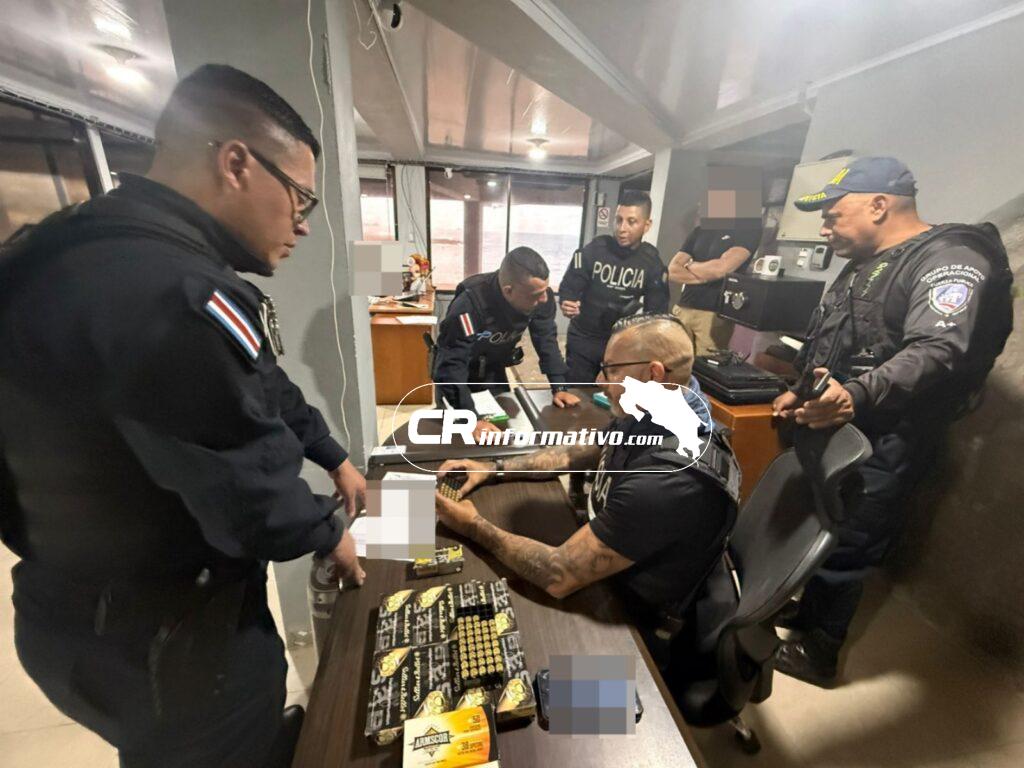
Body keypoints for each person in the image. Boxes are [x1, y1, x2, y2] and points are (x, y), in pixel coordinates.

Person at [0, 64, 368, 767]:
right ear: (236, 163)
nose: (302, 224)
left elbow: (258, 381)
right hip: (168, 640)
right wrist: (328, 532)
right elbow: (251, 495)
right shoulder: (176, 295)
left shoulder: (79, 241)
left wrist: (331, 453)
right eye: (301, 198)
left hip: (69, 607)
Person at [772, 156, 1013, 687]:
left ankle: (820, 651)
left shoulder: (950, 257)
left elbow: (936, 349)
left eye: (833, 215)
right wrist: (798, 386)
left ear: (879, 205)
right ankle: (807, 612)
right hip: (838, 424)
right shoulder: (864, 263)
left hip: (889, 435)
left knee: (852, 538)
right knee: (822, 523)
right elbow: (834, 340)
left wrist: (856, 395)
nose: (824, 227)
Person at [433, 314, 739, 644]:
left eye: (611, 370)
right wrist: (494, 468)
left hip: (631, 620)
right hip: (608, 562)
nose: (599, 380)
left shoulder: (667, 478)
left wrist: (472, 525)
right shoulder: (656, 407)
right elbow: (576, 453)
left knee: (494, 633)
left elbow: (558, 574)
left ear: (653, 374)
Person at [433, 247, 581, 440]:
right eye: (536, 295)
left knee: (503, 431)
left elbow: (546, 340)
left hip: (494, 371)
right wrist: (470, 419)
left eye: (545, 290)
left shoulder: (540, 296)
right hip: (460, 377)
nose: (544, 299)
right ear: (508, 291)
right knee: (460, 439)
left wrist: (559, 386)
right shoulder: (470, 305)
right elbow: (451, 365)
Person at [559, 191, 670, 383]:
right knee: (577, 391)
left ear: (647, 225)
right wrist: (566, 302)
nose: (622, 228)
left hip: (621, 343)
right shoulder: (594, 249)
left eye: (631, 222)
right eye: (618, 220)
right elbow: (570, 286)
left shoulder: (651, 262)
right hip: (584, 338)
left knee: (615, 395)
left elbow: (657, 313)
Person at [667, 196, 762, 355]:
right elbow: (672, 270)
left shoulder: (747, 231)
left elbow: (722, 269)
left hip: (713, 315)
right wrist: (705, 276)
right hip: (684, 307)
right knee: (674, 361)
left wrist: (690, 265)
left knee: (706, 366)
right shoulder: (699, 231)